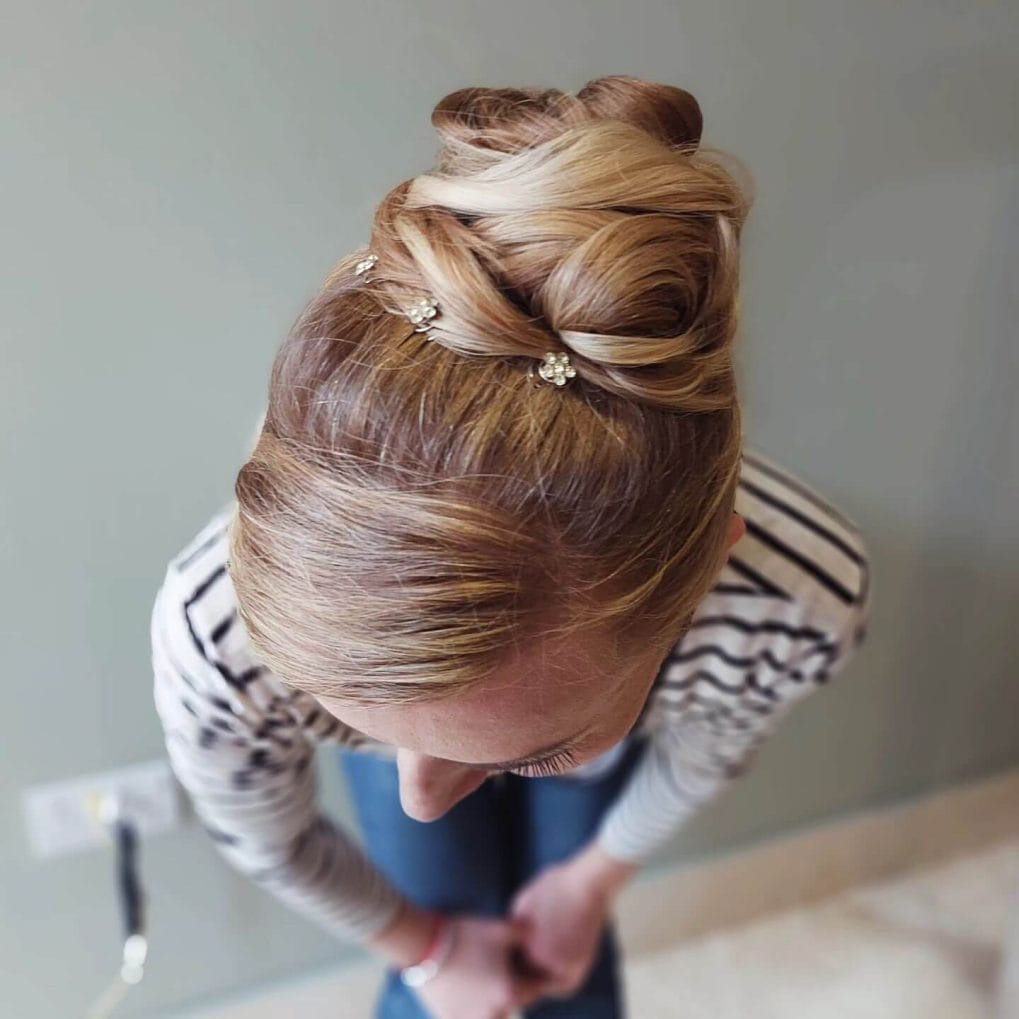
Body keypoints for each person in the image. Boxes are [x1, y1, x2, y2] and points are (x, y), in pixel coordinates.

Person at [151, 76, 872, 1019]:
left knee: (568, 967)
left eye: (533, 748)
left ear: (704, 581)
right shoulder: (218, 636)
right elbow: (265, 833)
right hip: (578, 691)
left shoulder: (795, 603)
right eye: (370, 728)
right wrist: (430, 947)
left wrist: (594, 881)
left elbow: (704, 750)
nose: (420, 795)